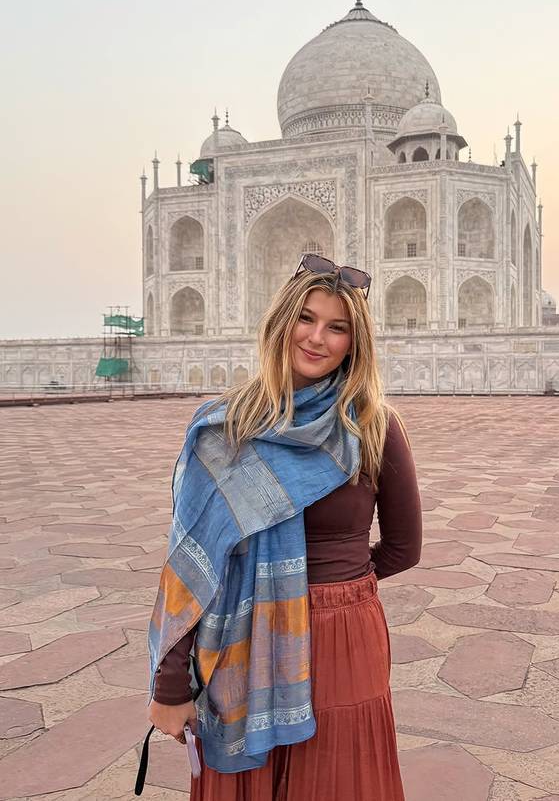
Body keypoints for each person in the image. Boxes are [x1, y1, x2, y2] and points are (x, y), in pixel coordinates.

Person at [145, 254, 423, 800]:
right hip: (244, 639)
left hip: (343, 637)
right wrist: (170, 684)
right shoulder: (225, 428)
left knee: (337, 783)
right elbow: (191, 571)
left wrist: (337, 592)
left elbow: (404, 548)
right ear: (280, 323)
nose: (318, 337)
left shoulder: (371, 426)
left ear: (354, 342)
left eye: (337, 327)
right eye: (306, 318)